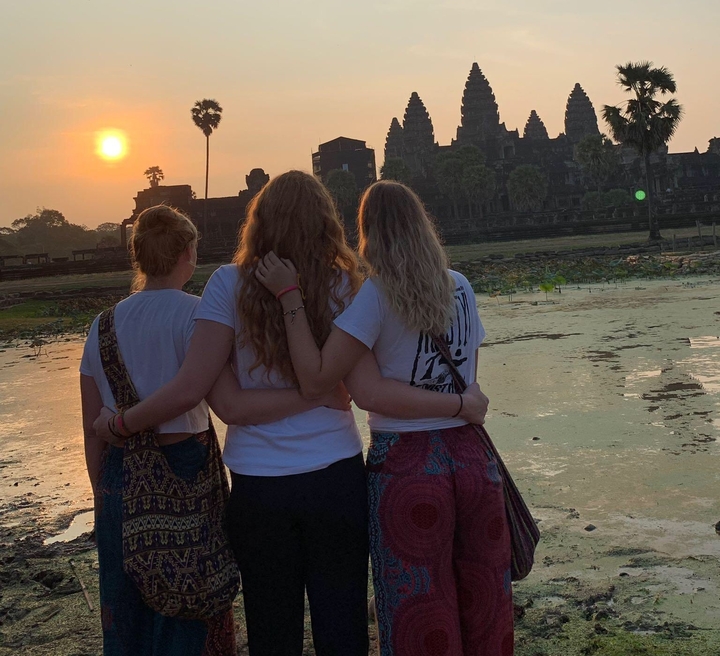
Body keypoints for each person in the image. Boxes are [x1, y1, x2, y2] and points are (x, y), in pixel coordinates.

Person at [94, 171, 489, 656]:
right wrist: (315, 395)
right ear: (326, 223)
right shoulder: (348, 284)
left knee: (272, 629)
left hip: (260, 486)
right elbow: (348, 389)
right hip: (337, 477)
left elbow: (230, 406)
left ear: (257, 223)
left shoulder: (227, 284)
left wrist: (121, 423)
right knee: (342, 625)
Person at [255, 180, 513, 656]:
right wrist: (459, 408)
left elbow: (335, 385)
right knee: (485, 602)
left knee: (420, 608)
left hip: (409, 468)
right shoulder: (460, 287)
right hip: (474, 463)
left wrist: (291, 297)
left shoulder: (372, 297)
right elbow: (468, 383)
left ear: (368, 233)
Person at [80, 205, 237, 656]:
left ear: (139, 257)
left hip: (119, 473)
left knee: (126, 606)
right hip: (185, 464)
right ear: (189, 253)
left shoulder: (102, 325)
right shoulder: (197, 316)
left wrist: (102, 491)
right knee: (191, 594)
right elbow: (207, 396)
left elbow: (91, 425)